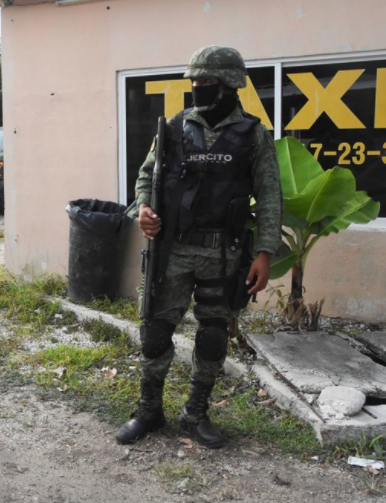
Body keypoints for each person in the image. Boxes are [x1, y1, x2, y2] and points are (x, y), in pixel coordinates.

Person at [116, 46, 283, 448]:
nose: (197, 88)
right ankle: (149, 411)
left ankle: (195, 413)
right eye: (195, 81)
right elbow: (144, 178)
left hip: (223, 255)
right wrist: (143, 211)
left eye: (206, 82)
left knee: (212, 335)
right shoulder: (172, 129)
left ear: (229, 85)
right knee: (155, 332)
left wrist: (264, 253)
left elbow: (271, 196)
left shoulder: (254, 135)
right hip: (171, 252)